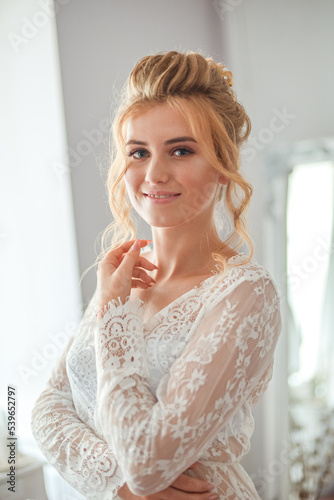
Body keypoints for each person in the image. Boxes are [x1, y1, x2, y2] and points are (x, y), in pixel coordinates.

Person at [31, 50, 281, 500]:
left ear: (223, 166)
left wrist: (112, 311)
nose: (155, 174)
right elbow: (46, 410)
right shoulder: (121, 284)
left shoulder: (245, 295)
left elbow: (148, 464)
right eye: (138, 153)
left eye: (181, 150)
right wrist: (118, 484)